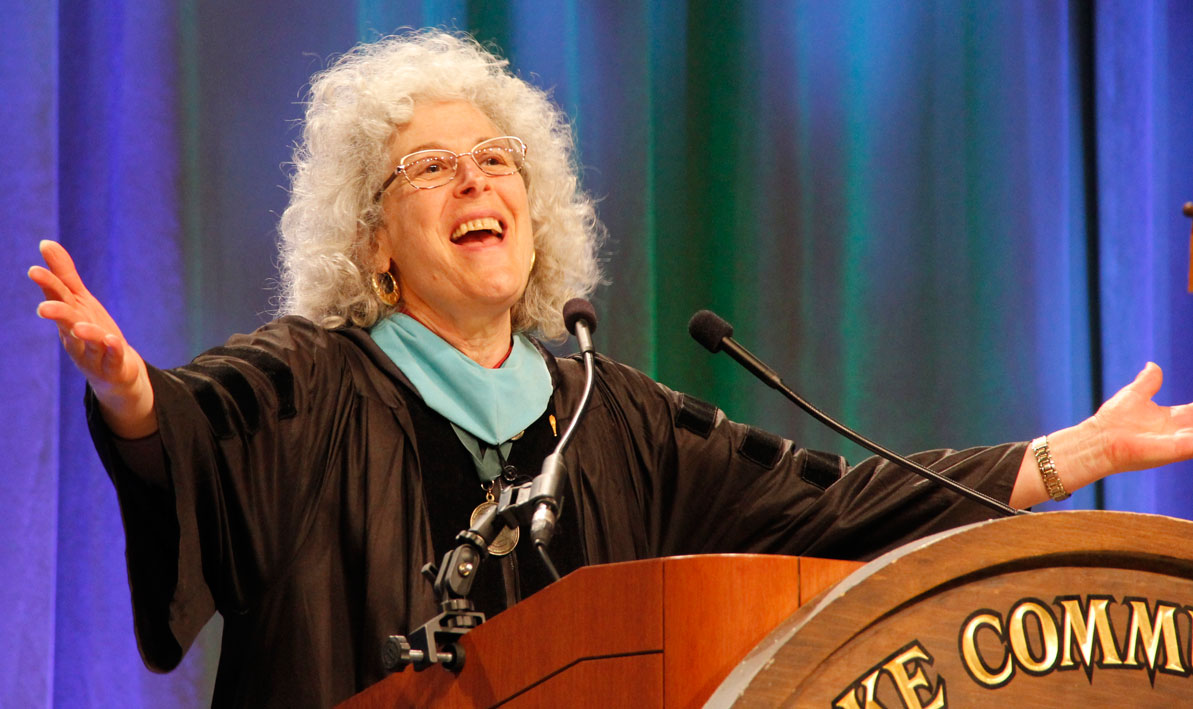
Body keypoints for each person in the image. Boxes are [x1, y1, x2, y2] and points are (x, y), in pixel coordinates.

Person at [27, 30, 1193, 707]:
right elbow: (196, 425)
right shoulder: (310, 382)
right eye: (431, 169)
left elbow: (835, 507)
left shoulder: (606, 409)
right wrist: (133, 393)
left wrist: (1065, 456)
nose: (476, 183)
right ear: (371, 240)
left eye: (496, 162)